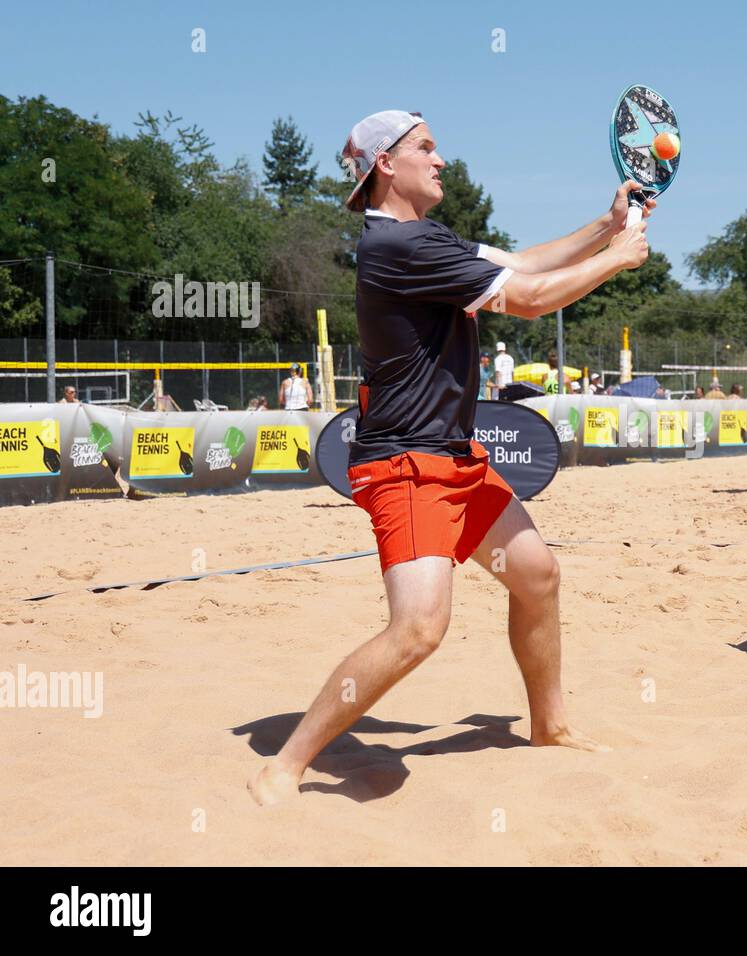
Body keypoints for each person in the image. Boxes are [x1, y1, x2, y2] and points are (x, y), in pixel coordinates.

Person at [248, 108, 652, 805]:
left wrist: (605, 225)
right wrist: (618, 261)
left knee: (537, 576)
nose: (440, 159)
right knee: (418, 630)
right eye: (425, 148)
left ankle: (549, 726)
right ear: (386, 165)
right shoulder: (395, 248)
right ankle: (284, 766)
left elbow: (521, 264)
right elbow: (526, 300)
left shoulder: (424, 238)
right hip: (406, 464)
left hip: (453, 458)